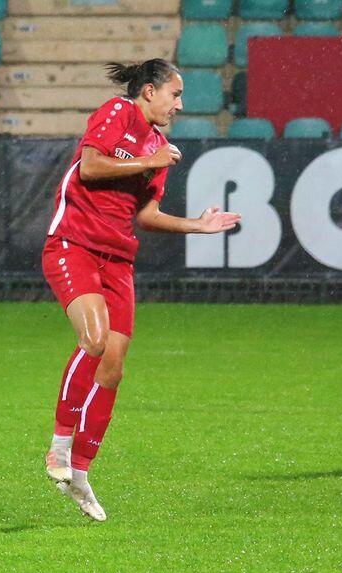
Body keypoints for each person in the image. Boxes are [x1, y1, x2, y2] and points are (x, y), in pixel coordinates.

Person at [42, 58, 240, 521]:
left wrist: (198, 226)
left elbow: (147, 216)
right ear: (149, 91)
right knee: (93, 341)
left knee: (112, 369)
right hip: (74, 244)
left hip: (119, 259)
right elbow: (90, 167)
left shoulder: (160, 147)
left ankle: (80, 475)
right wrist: (151, 160)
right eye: (175, 94)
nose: (180, 104)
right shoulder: (118, 112)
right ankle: (59, 447)